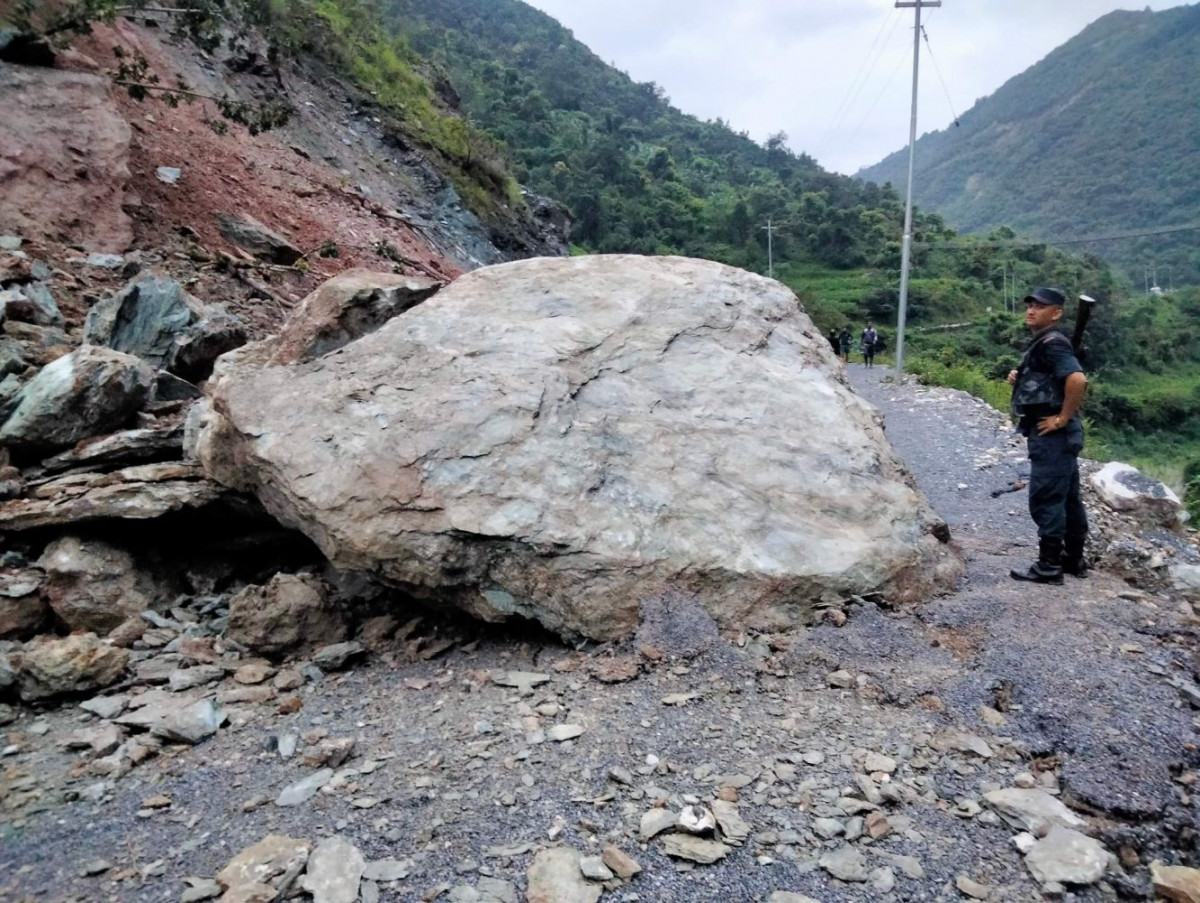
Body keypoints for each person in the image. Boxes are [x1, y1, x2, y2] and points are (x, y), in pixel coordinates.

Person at [1007, 287, 1089, 584]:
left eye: (1040, 306)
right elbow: (1048, 378)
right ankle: (1073, 559)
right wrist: (1021, 377)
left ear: (1056, 313)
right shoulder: (1044, 342)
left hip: (1053, 434)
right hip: (1062, 436)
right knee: (1067, 497)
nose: (1031, 310)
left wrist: (1061, 418)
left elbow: (1077, 379)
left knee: (1046, 497)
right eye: (1030, 305)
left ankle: (1048, 566)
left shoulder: (1053, 342)